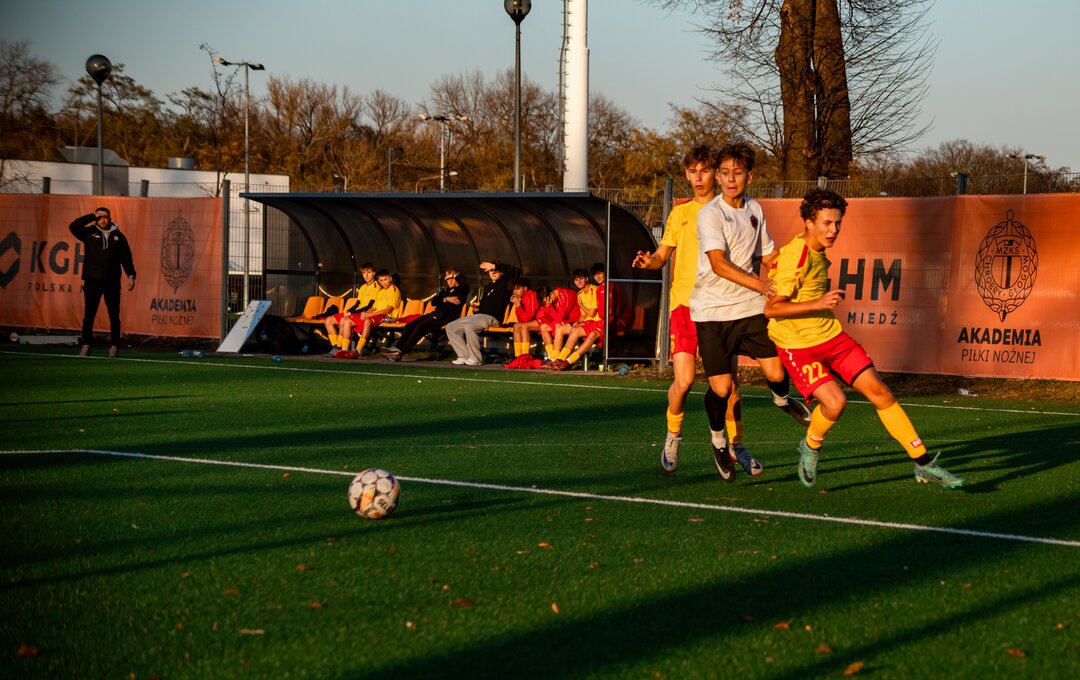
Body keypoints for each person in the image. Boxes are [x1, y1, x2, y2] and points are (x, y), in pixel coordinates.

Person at [765, 188, 964, 489]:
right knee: (836, 404)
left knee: (881, 393)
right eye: (826, 223)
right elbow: (772, 309)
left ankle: (923, 464)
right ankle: (811, 446)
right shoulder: (798, 254)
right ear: (808, 222)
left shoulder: (814, 249)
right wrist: (817, 303)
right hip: (798, 346)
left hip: (831, 337)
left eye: (838, 223)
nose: (833, 230)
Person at [690, 141, 811, 483]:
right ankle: (719, 443)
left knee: (775, 370)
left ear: (750, 176)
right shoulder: (710, 214)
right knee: (722, 388)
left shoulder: (755, 209)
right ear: (718, 176)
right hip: (712, 312)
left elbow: (768, 255)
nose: (731, 179)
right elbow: (718, 264)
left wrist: (800, 259)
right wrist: (760, 284)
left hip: (748, 308)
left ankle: (782, 400)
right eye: (724, 173)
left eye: (737, 173)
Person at [632, 145, 753, 475]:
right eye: (692, 171)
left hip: (720, 307)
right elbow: (662, 256)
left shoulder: (729, 211)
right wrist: (648, 262)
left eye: (704, 170)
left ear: (715, 173)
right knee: (684, 381)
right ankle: (673, 435)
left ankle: (736, 444)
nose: (698, 177)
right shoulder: (680, 213)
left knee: (729, 385)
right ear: (686, 174)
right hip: (685, 306)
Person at [68, 207, 136, 358]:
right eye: (100, 217)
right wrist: (91, 216)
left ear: (110, 219)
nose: (103, 220)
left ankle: (114, 346)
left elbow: (126, 257)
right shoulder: (89, 233)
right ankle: (86, 346)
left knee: (114, 315)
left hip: (112, 281)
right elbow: (73, 227)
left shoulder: (118, 236)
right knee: (89, 314)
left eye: (106, 217)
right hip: (93, 280)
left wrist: (131, 275)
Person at [379, 267, 470, 360]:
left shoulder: (462, 289)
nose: (449, 281)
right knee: (409, 326)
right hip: (434, 314)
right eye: (447, 279)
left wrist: (455, 275)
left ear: (456, 277)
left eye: (451, 278)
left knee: (420, 327)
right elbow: (434, 301)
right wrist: (446, 299)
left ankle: (401, 352)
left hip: (445, 317)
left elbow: (465, 283)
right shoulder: (446, 291)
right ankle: (396, 349)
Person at [445, 262, 513, 366]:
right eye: (490, 270)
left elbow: (515, 271)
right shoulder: (489, 287)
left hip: (492, 318)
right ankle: (465, 356)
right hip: (479, 317)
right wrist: (477, 309)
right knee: (451, 327)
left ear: (501, 272)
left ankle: (476, 358)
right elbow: (483, 307)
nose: (493, 272)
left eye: (495, 270)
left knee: (470, 326)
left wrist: (494, 266)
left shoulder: (504, 284)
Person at [553, 262, 607, 370]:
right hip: (587, 323)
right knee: (560, 328)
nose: (579, 282)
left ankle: (566, 361)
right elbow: (583, 315)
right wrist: (577, 323)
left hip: (597, 323)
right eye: (576, 280)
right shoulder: (580, 294)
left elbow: (591, 313)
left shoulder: (595, 290)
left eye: (581, 279)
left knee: (575, 331)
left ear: (586, 278)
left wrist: (581, 305)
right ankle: (556, 359)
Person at [335, 269, 401, 358]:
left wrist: (369, 315)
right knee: (346, 320)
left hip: (388, 318)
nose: (384, 282)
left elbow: (388, 310)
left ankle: (358, 350)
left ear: (390, 278)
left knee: (368, 321)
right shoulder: (381, 292)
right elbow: (373, 308)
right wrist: (365, 313)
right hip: (376, 316)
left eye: (385, 279)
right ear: (378, 281)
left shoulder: (394, 290)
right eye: (381, 280)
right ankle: (344, 350)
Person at [324, 262, 378, 355]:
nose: (366, 275)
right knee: (328, 320)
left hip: (363, 313)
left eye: (369, 272)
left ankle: (343, 349)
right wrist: (348, 311)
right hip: (356, 312)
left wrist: (352, 313)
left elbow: (369, 306)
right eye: (364, 273)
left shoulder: (376, 286)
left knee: (345, 321)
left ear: (374, 273)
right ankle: (335, 347)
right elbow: (358, 303)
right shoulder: (363, 287)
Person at [504, 278, 542, 367]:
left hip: (544, 320)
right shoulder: (521, 298)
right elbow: (521, 320)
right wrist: (517, 304)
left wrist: (517, 304)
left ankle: (525, 357)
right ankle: (517, 357)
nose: (515, 292)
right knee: (516, 326)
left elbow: (527, 319)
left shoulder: (531, 295)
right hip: (532, 322)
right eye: (514, 289)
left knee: (524, 326)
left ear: (525, 288)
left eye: (518, 289)